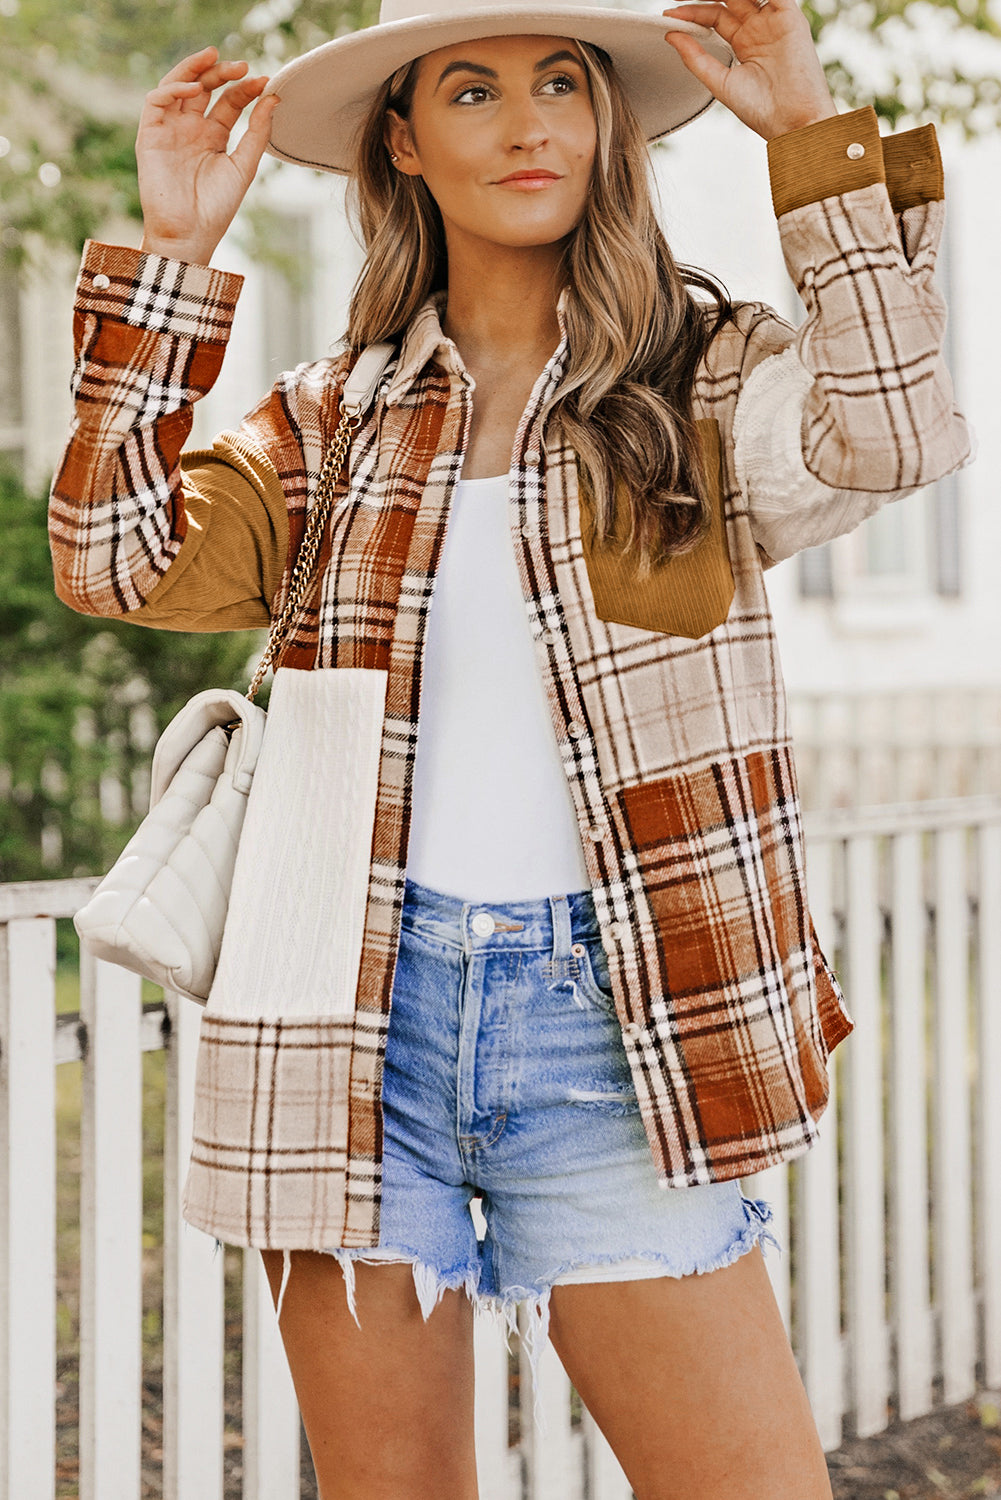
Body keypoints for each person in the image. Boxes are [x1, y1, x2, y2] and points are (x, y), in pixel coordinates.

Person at [48, 0, 971, 1494]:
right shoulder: (325, 427)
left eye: (562, 85)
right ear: (403, 143)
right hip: (350, 1023)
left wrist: (804, 127)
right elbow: (112, 560)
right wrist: (175, 257)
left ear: (606, 128)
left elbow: (897, 433)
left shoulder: (702, 385)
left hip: (612, 1027)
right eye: (472, 90)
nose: (529, 120)